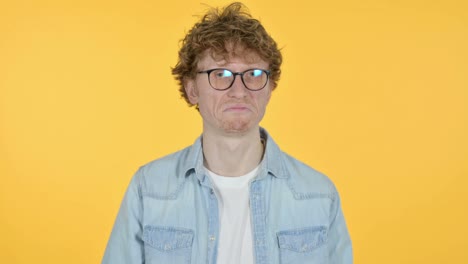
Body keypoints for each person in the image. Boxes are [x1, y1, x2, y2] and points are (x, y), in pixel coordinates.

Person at [102, 2, 352, 263]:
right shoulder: (148, 188)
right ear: (192, 89)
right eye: (220, 74)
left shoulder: (319, 195)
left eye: (254, 74)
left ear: (270, 87)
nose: (239, 90)